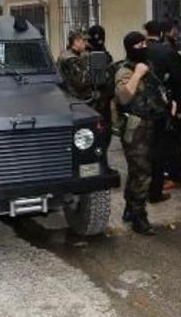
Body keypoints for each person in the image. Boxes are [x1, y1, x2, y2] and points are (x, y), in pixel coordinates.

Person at [115, 31, 171, 235]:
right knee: (142, 172)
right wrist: (137, 74)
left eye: (144, 44)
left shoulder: (149, 66)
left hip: (152, 125)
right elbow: (123, 97)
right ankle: (139, 217)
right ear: (130, 48)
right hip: (135, 128)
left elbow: (156, 90)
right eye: (138, 46)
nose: (143, 48)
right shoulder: (125, 71)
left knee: (140, 171)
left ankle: (130, 209)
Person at [142, 21, 176, 202]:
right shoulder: (167, 51)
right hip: (161, 107)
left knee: (145, 150)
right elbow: (177, 78)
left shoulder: (141, 51)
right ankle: (155, 189)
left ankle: (145, 187)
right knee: (160, 149)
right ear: (162, 33)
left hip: (142, 109)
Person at [159, 20, 181, 189]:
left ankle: (174, 176)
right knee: (170, 141)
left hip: (173, 103)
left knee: (172, 141)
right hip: (171, 103)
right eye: (175, 29)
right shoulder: (169, 50)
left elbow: (178, 80)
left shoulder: (171, 49)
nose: (177, 32)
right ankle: (171, 173)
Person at [86, 24, 117, 175]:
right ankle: (96, 167)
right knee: (94, 137)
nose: (99, 40)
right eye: (96, 37)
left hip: (104, 103)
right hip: (92, 104)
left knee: (105, 137)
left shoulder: (103, 52)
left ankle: (102, 165)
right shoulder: (85, 56)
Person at [57, 31, 92, 100]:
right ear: (76, 42)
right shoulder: (71, 59)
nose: (86, 43)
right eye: (84, 40)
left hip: (69, 97)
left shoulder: (66, 54)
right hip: (74, 99)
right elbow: (81, 83)